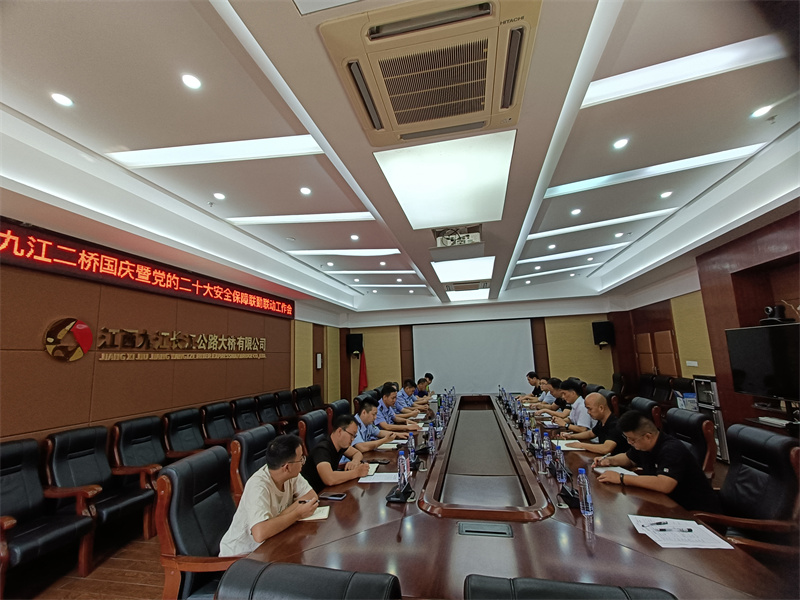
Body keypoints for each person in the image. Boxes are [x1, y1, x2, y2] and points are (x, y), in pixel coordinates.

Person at [593, 411, 720, 512]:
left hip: (695, 513)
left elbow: (664, 484)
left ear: (648, 436)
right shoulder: (643, 445)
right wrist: (609, 460)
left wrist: (621, 478)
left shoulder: (671, 449)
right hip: (666, 504)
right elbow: (628, 458)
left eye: (632, 439)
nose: (630, 443)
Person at [219, 434, 318, 556]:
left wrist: (279, 518)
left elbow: (311, 496)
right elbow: (260, 533)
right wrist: (297, 514)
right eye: (300, 458)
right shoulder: (258, 486)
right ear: (287, 467)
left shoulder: (291, 475)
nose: (303, 462)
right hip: (241, 555)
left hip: (269, 546)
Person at [301, 415, 370, 492]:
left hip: (328, 490)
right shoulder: (322, 450)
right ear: (339, 431)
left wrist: (355, 462)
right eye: (351, 435)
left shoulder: (340, 445)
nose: (353, 439)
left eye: (354, 436)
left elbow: (357, 453)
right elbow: (329, 479)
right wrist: (356, 472)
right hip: (315, 493)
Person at [560, 393, 629, 455]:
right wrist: (571, 436)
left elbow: (606, 448)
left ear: (601, 408)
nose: (588, 412)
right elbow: (591, 434)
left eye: (590, 409)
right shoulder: (602, 421)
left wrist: (581, 445)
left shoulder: (615, 424)